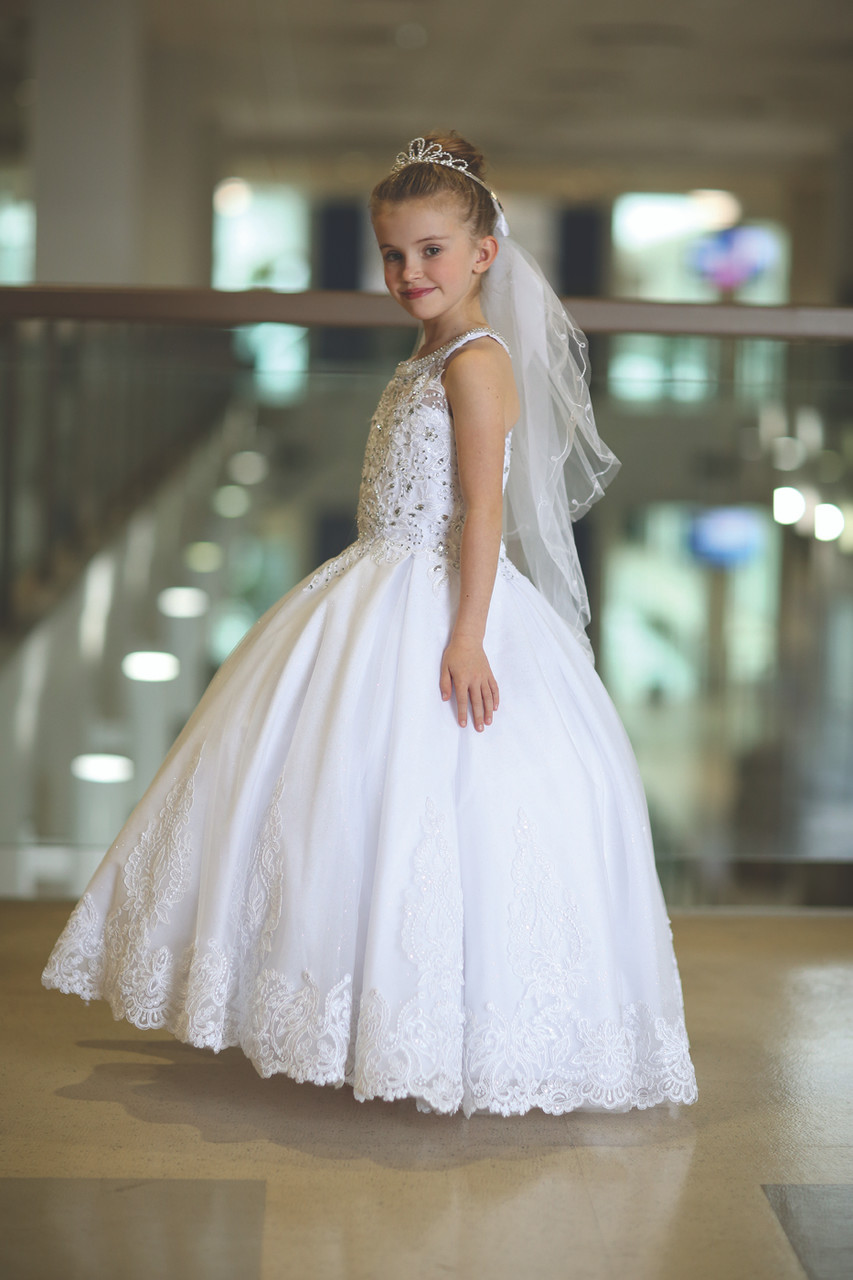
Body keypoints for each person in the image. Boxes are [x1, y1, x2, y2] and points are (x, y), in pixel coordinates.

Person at [43, 133, 698, 1118]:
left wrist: (467, 634)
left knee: (425, 810)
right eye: (393, 254)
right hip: (370, 585)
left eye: (431, 250)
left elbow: (483, 510)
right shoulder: (425, 354)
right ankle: (337, 1015)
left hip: (439, 598)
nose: (408, 272)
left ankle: (437, 1029)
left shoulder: (477, 363)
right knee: (328, 803)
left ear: (482, 253)